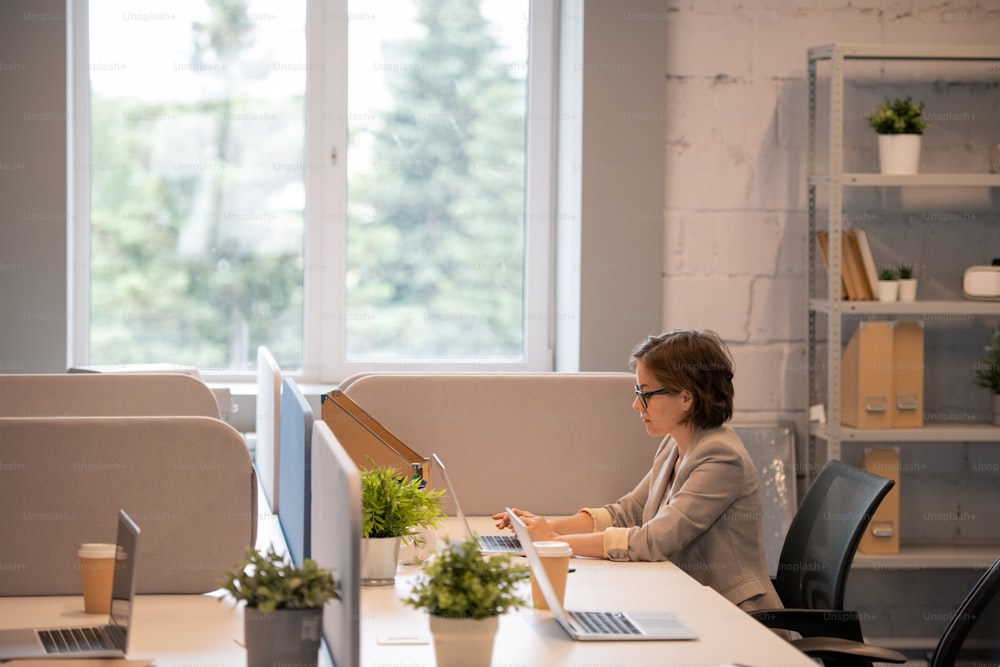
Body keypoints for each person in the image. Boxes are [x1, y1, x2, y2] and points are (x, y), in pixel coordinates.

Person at [494, 329, 783, 613]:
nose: (636, 405)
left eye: (646, 394)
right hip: (688, 601)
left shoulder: (721, 457)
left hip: (736, 617)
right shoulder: (674, 444)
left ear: (686, 398)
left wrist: (555, 543)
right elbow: (627, 512)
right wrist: (544, 527)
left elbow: (654, 540)